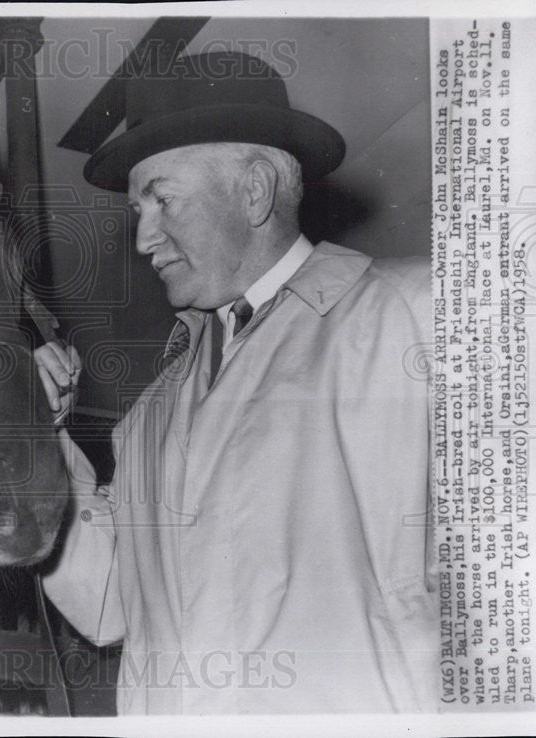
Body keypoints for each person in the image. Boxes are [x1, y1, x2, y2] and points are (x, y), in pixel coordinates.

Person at [34, 51, 437, 714]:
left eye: (161, 199)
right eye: (139, 210)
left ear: (253, 191)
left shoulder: (416, 316)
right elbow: (107, 603)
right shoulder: (148, 417)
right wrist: (39, 442)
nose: (144, 238)